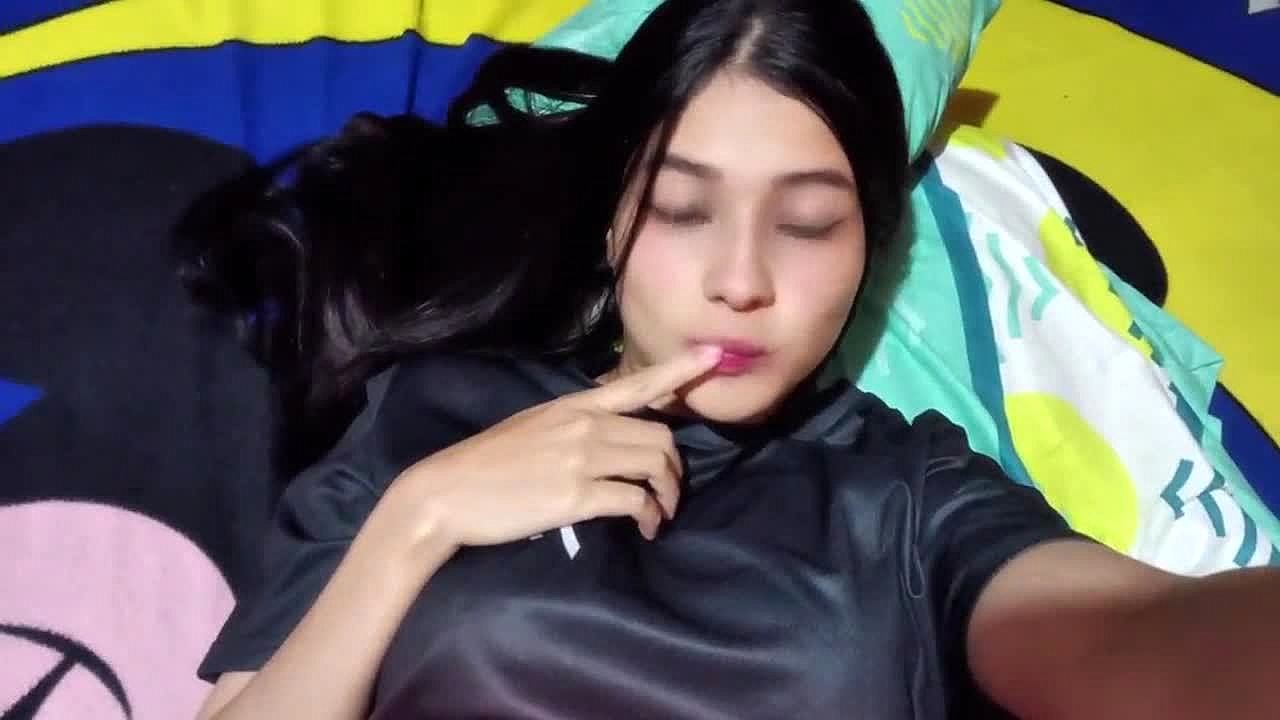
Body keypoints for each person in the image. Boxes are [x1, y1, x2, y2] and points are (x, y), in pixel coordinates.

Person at [181, 1, 1279, 718]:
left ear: (869, 248)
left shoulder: (907, 496)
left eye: (807, 224)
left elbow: (1135, 641)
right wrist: (418, 522)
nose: (741, 280)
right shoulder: (432, 420)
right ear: (613, 216)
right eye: (681, 210)